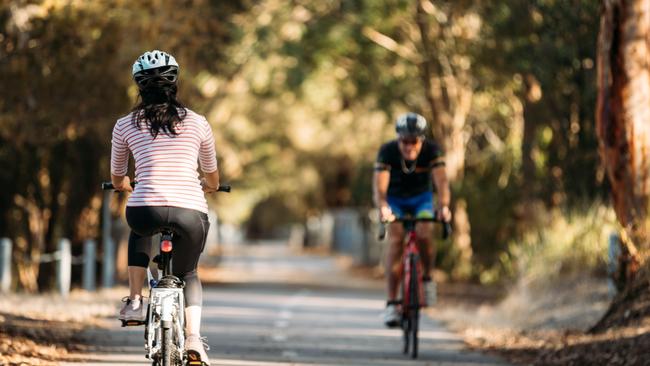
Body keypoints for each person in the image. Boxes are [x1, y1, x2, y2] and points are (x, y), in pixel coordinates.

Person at [110, 50, 219, 365]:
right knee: (190, 272)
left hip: (146, 207)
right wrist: (211, 186)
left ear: (139, 86)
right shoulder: (198, 123)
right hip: (190, 211)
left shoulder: (124, 125)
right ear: (175, 83)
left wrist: (124, 184)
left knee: (139, 230)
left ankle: (134, 302)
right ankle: (195, 338)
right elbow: (211, 173)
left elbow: (118, 175)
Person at [373, 112, 452, 327]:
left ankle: (427, 278)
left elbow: (442, 183)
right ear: (398, 139)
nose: (409, 146)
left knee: (425, 232)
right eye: (404, 141)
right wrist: (383, 208)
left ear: (421, 140)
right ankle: (392, 303)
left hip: (421, 200)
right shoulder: (387, 151)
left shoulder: (432, 151)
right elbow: (380, 189)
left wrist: (444, 206)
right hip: (395, 200)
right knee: (396, 240)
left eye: (413, 141)